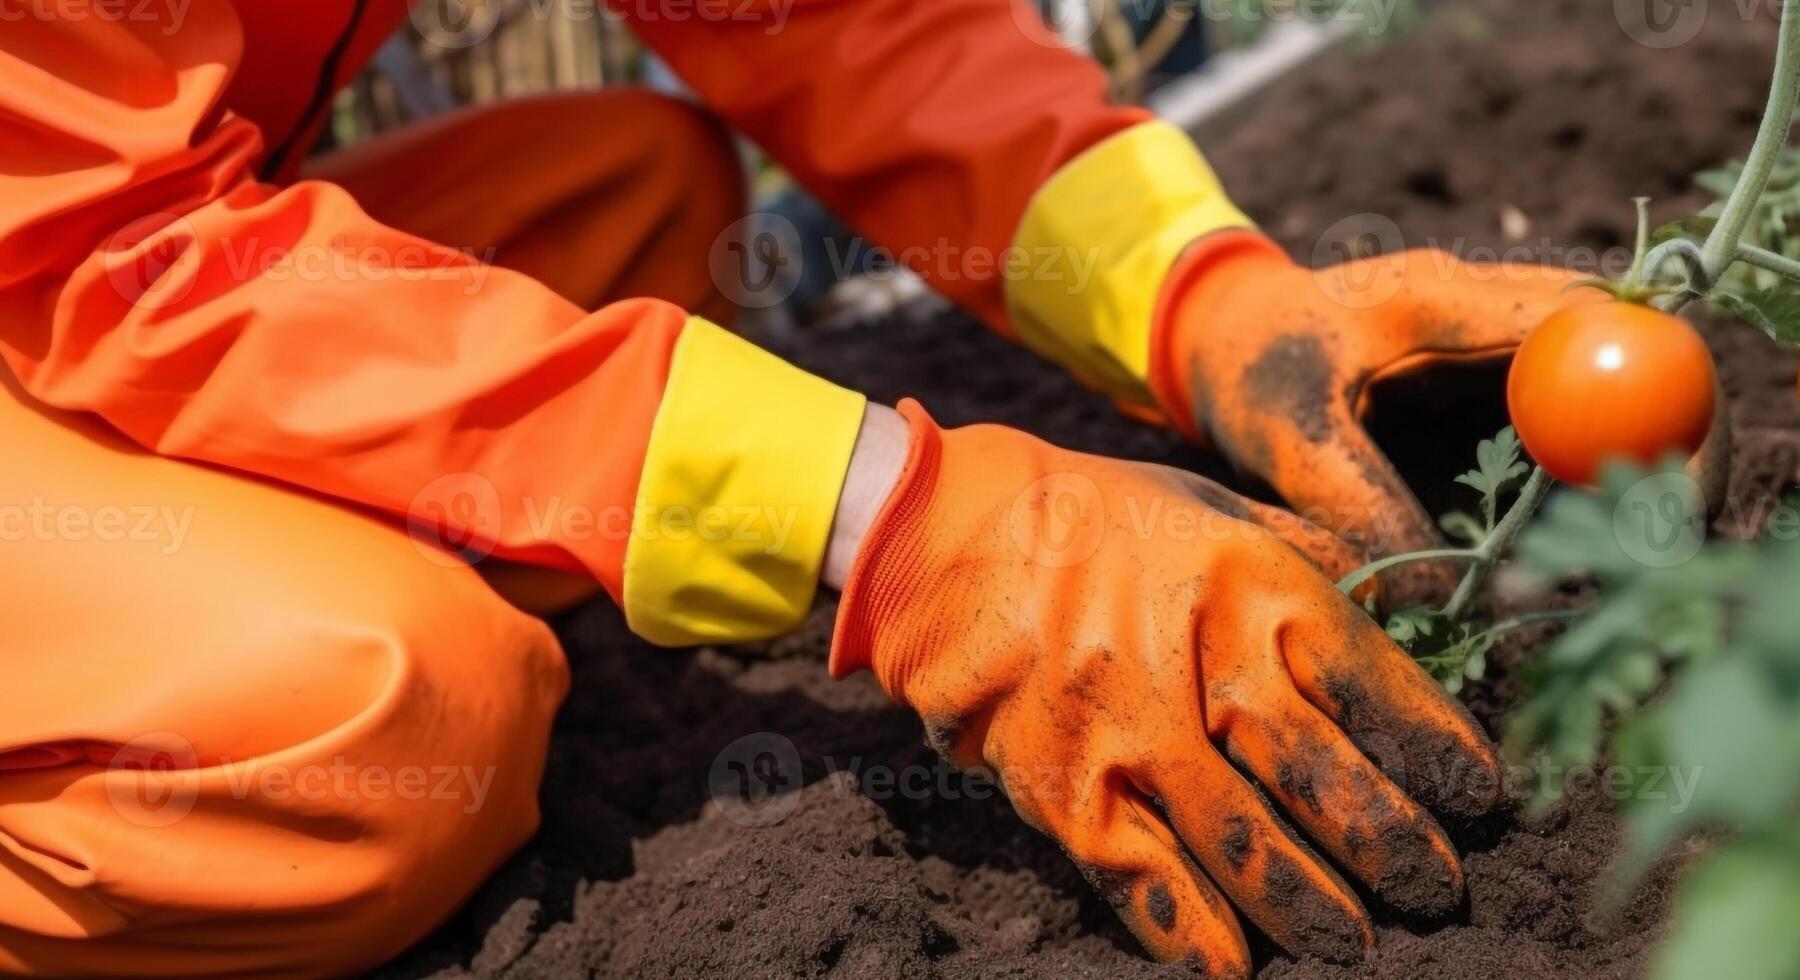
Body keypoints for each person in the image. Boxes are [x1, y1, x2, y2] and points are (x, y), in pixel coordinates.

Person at [0, 2, 1606, 975]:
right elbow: (94, 240)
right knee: (380, 721)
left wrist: (1202, 300)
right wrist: (908, 523)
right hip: (60, 239)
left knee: (638, 205)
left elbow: (836, 24)